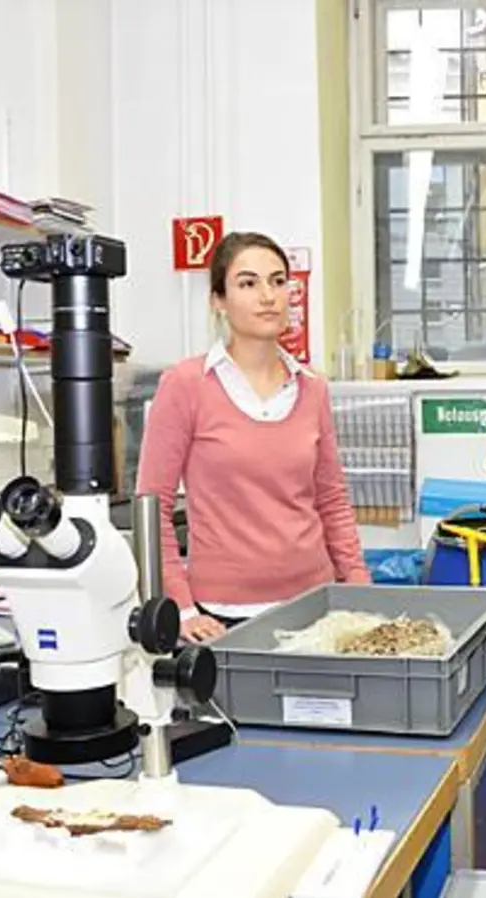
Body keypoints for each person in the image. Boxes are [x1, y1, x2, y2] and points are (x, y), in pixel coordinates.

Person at [136, 231, 370, 644]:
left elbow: (331, 498)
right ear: (218, 301)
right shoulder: (186, 384)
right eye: (248, 283)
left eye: (278, 281)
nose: (268, 295)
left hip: (316, 607)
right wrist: (182, 607)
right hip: (221, 618)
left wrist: (356, 581)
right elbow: (152, 505)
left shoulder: (312, 388)